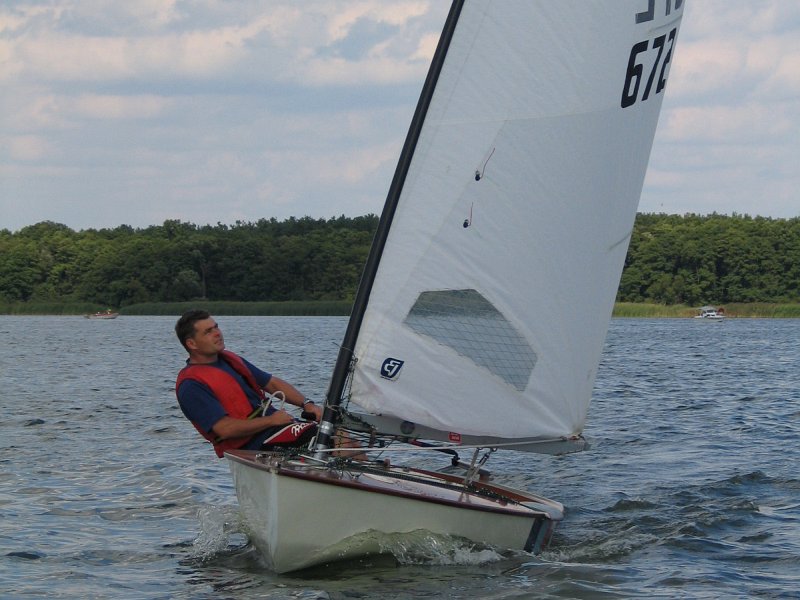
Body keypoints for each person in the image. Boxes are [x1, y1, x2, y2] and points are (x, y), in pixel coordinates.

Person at [174, 309, 323, 457]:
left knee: (331, 429)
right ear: (192, 343)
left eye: (216, 327)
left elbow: (271, 383)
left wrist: (307, 404)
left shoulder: (229, 360)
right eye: (208, 332)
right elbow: (224, 429)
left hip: (275, 429)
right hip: (252, 444)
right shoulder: (191, 385)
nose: (217, 333)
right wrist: (271, 420)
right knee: (323, 437)